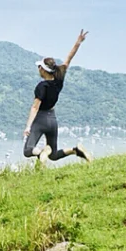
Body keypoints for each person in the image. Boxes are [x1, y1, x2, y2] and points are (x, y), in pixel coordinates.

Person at [23, 29, 91, 163]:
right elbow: (68, 59)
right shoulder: (59, 79)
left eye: (39, 67)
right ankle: (75, 150)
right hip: (52, 120)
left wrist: (28, 126)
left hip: (41, 119)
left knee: (28, 150)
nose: (38, 69)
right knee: (53, 155)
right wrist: (78, 43)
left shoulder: (41, 86)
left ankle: (42, 151)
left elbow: (35, 108)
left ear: (43, 69)